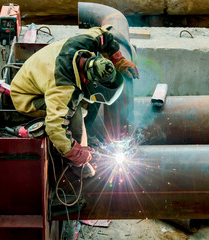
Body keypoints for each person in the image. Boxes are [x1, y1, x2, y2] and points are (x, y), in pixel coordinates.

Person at [10, 26, 139, 177]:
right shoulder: (63, 88)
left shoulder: (86, 42)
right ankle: (78, 164)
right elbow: (55, 127)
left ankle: (86, 134)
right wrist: (75, 151)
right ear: (86, 79)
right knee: (75, 113)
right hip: (27, 96)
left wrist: (119, 60)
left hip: (39, 71)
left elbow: (103, 34)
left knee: (90, 99)